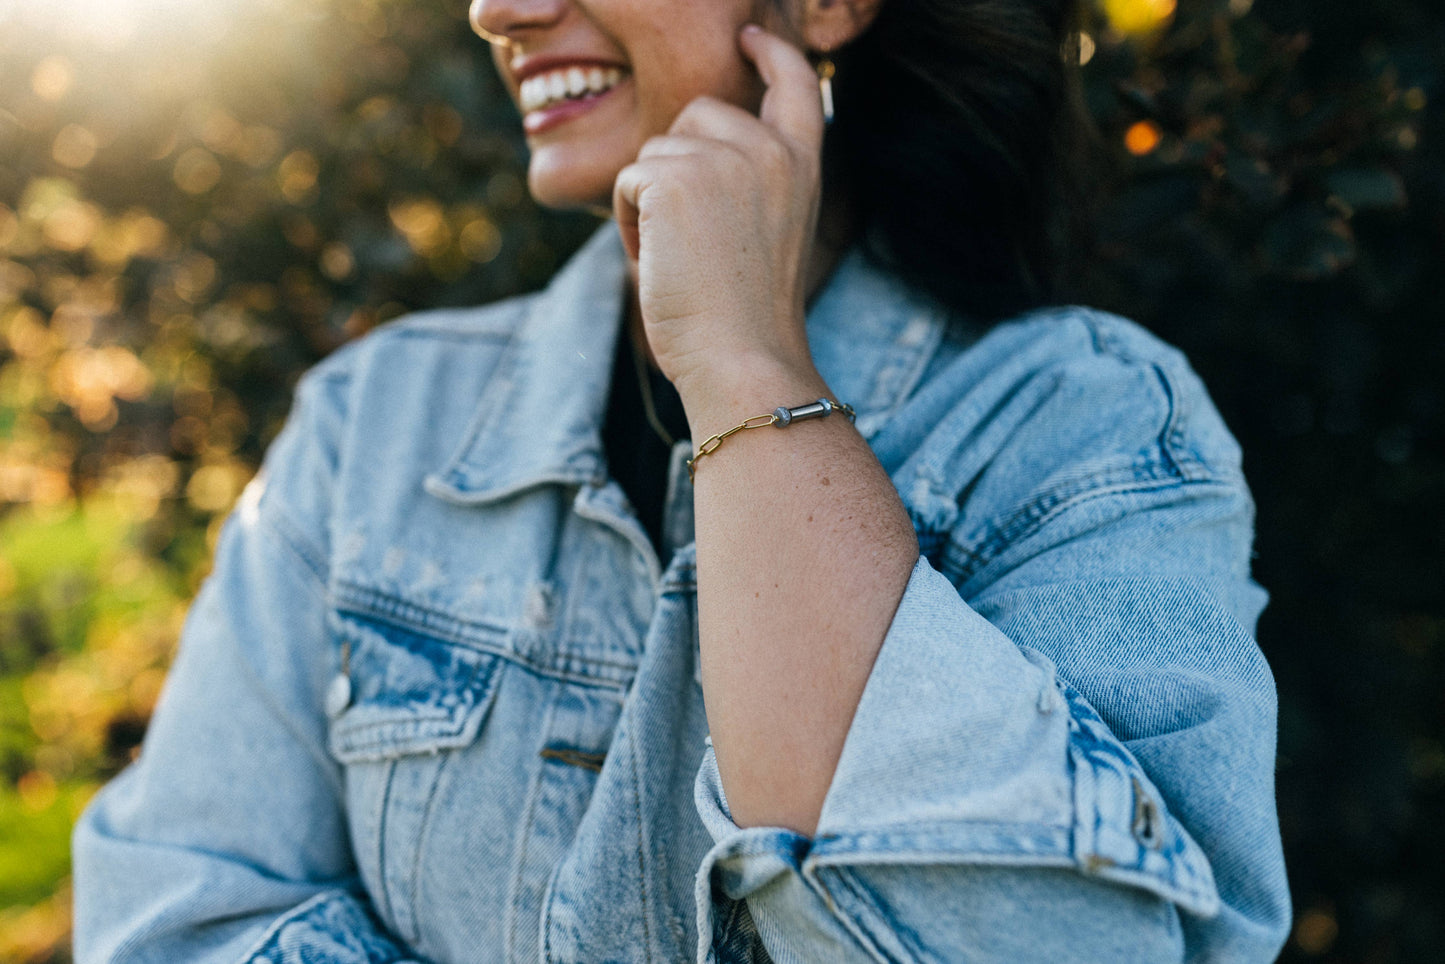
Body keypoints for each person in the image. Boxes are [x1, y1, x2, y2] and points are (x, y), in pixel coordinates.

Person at [72, 0, 1292, 960]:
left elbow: (1061, 943)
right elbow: (175, 914)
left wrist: (743, 366)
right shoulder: (374, 419)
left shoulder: (1080, 423)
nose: (498, 9)